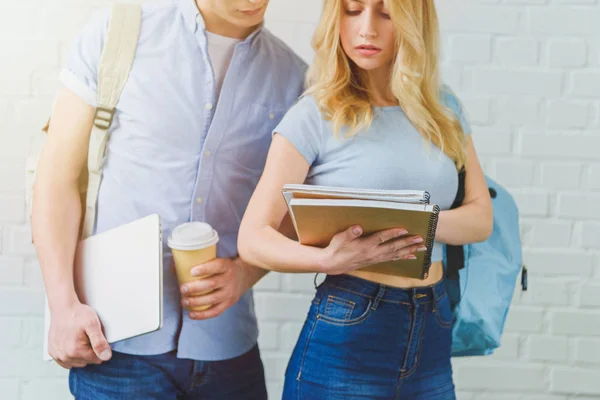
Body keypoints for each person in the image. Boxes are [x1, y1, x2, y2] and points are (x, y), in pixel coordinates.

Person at [31, 0, 306, 398]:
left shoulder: (294, 77)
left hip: (228, 351)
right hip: (114, 347)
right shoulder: (120, 32)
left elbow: (294, 209)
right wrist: (62, 306)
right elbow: (56, 179)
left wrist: (246, 271)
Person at [238, 0, 493, 398]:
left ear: (413, 24)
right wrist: (325, 260)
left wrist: (412, 220)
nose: (367, 28)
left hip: (433, 324)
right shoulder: (315, 114)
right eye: (353, 10)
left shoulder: (444, 109)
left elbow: (480, 219)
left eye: (386, 13)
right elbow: (253, 238)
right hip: (351, 324)